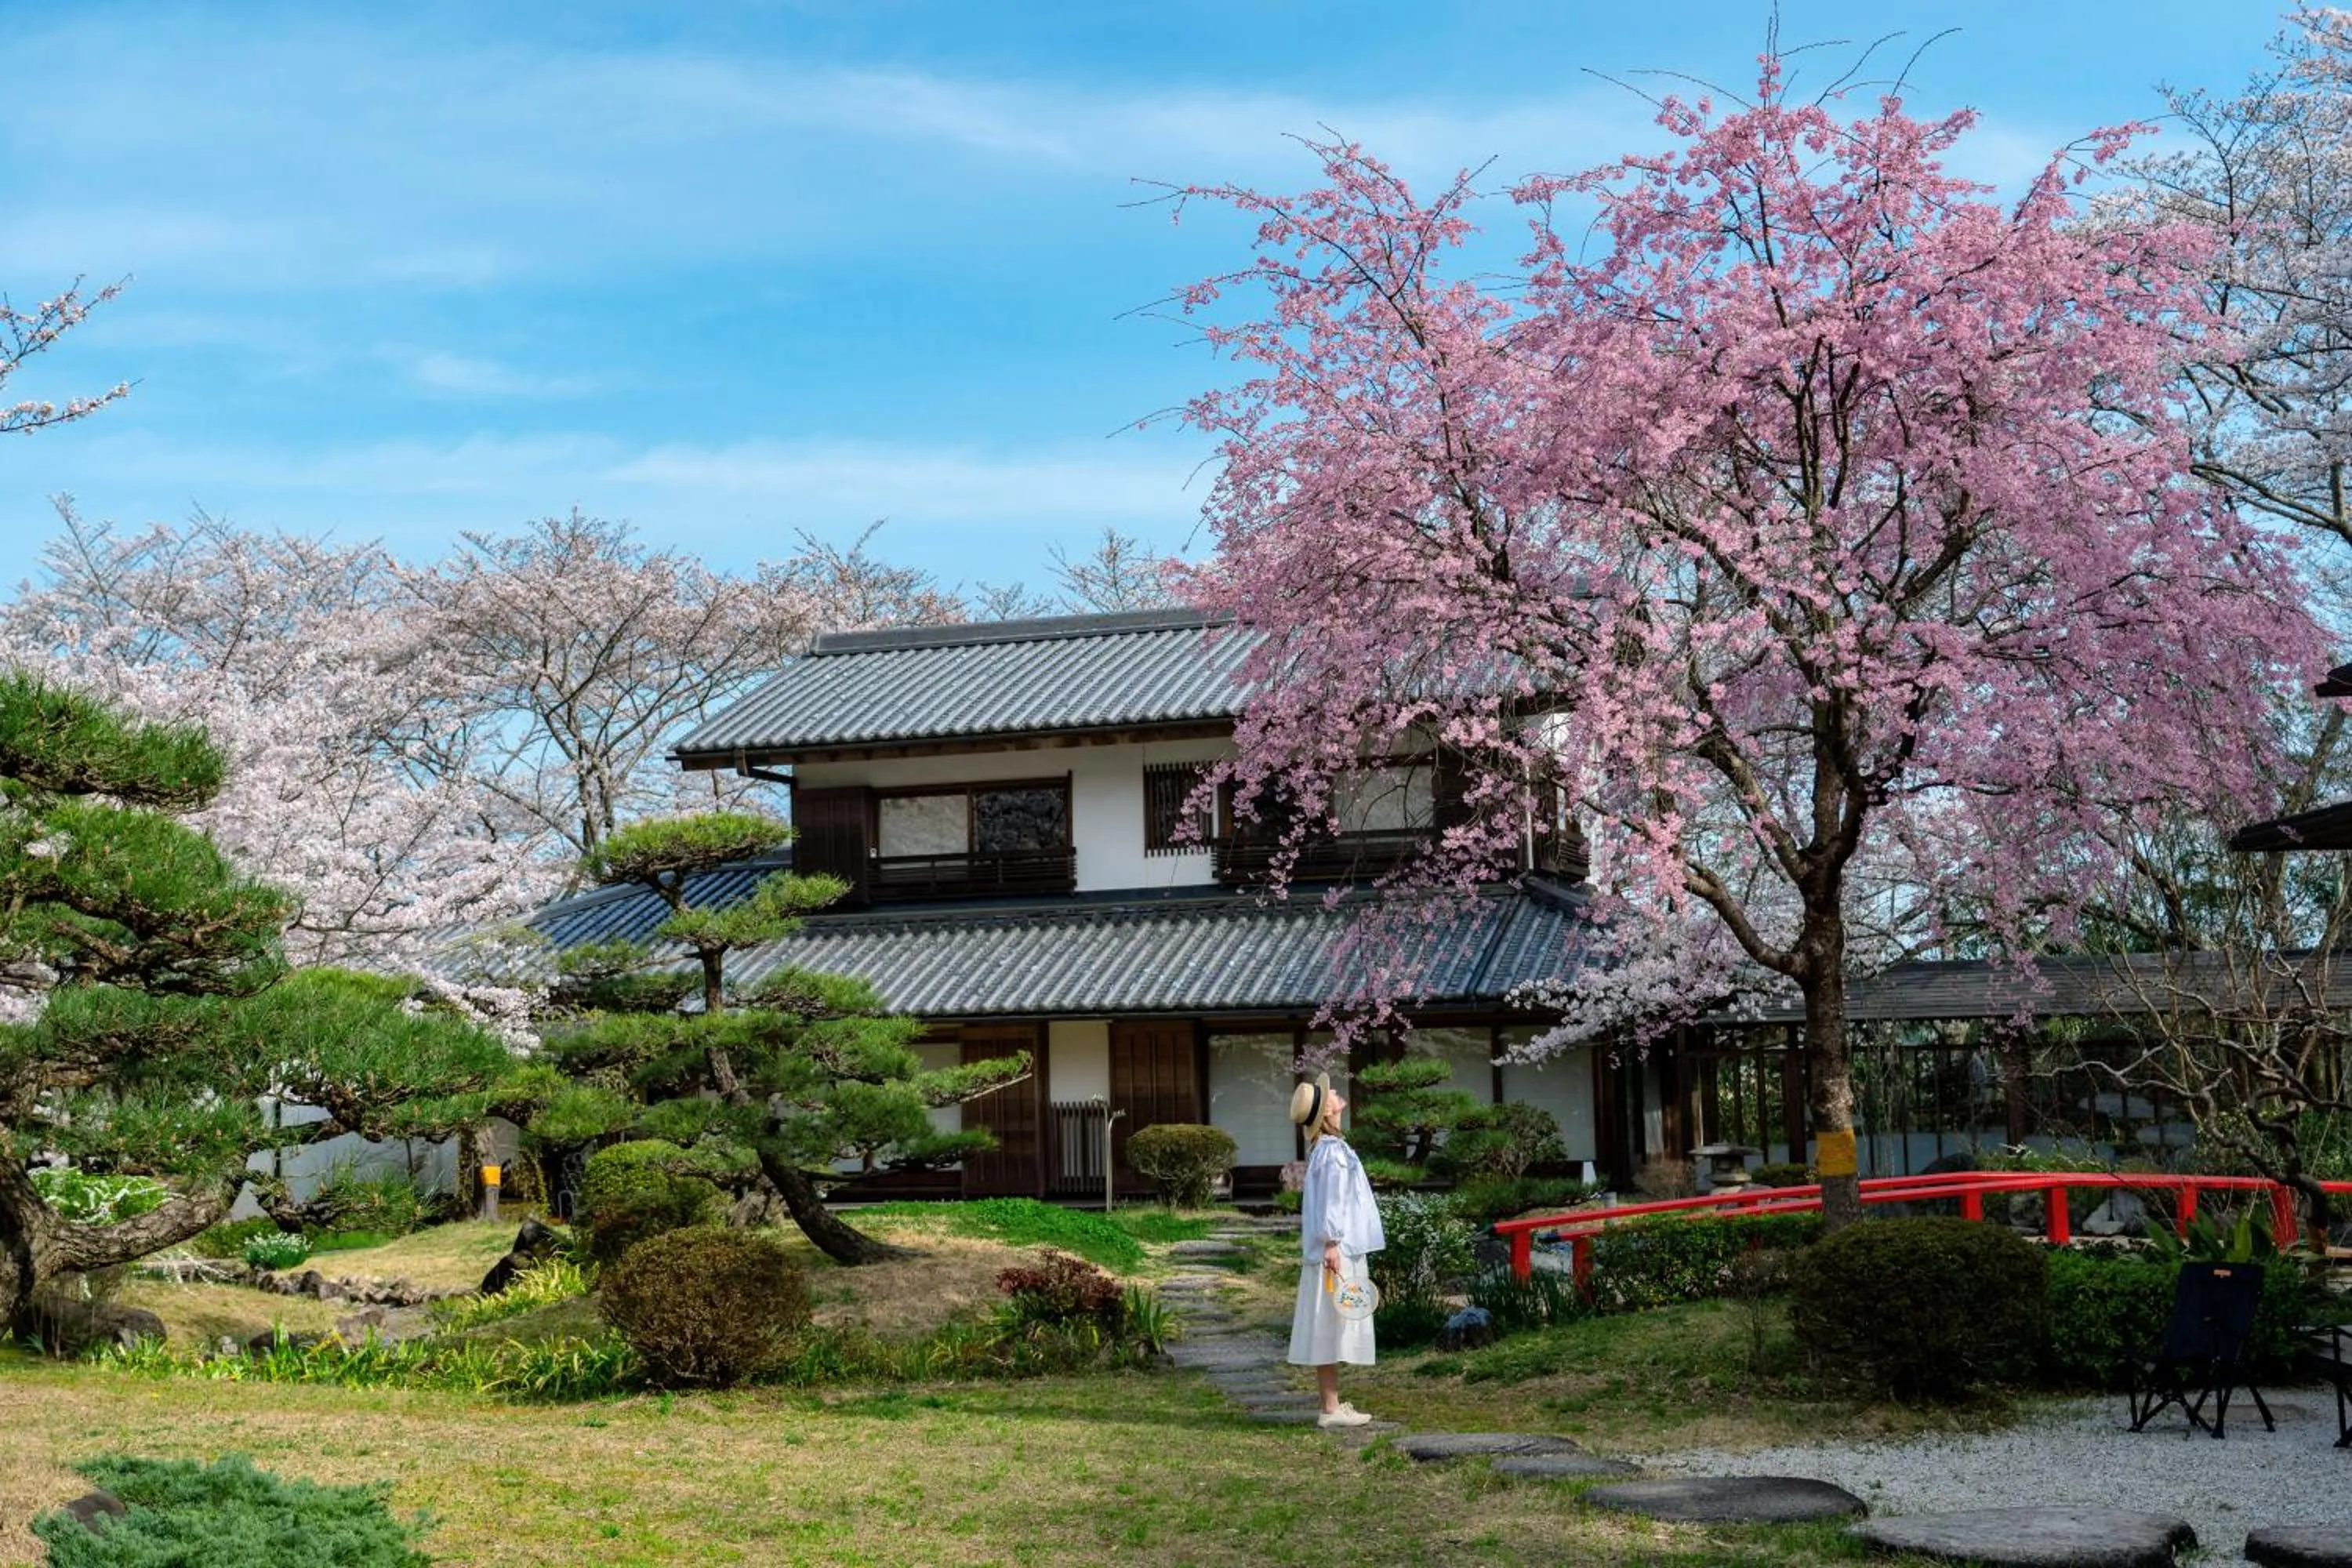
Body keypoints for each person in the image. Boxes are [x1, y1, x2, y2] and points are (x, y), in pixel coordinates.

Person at [1286, 1071, 1384, 1428]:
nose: (1336, 1092)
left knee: (1327, 1321)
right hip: (1337, 1249)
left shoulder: (1326, 1150)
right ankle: (1330, 1409)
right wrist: (1332, 1243)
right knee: (1330, 1322)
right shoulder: (1332, 1152)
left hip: (1336, 1247)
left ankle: (1331, 1406)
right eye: (1328, 1094)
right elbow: (1333, 1201)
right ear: (1326, 1112)